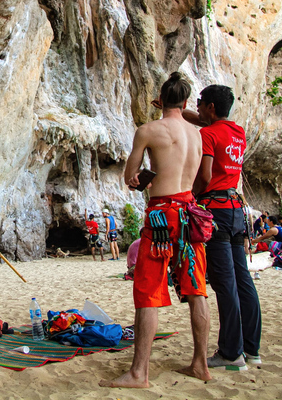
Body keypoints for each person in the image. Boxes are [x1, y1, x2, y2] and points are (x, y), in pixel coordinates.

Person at [100, 72, 211, 389]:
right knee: (196, 289)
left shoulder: (148, 131)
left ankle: (138, 373)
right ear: (187, 103)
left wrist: (146, 177)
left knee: (147, 294)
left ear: (160, 100)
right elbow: (199, 178)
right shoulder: (198, 135)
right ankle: (200, 365)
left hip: (162, 215)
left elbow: (130, 176)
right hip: (190, 214)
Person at [185, 84, 262, 371]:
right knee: (243, 280)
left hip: (215, 210)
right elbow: (207, 121)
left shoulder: (207, 135)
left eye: (200, 103)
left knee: (224, 283)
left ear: (211, 107)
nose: (199, 108)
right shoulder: (237, 132)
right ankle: (252, 349)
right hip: (236, 211)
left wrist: (192, 196)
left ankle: (231, 353)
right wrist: (181, 111)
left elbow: (204, 176)